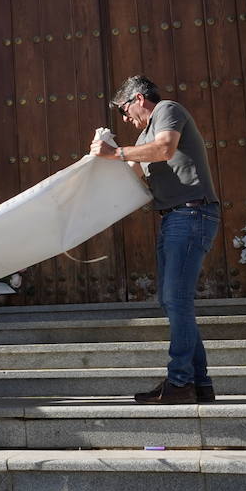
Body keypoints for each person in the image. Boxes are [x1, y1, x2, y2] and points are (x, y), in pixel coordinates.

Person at [91, 75, 220, 405]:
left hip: (191, 215)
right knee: (172, 301)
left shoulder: (166, 109)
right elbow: (140, 178)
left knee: (175, 300)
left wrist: (117, 151)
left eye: (123, 110)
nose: (124, 119)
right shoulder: (143, 137)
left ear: (138, 98)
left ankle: (180, 382)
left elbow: (165, 148)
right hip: (174, 218)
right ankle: (199, 383)